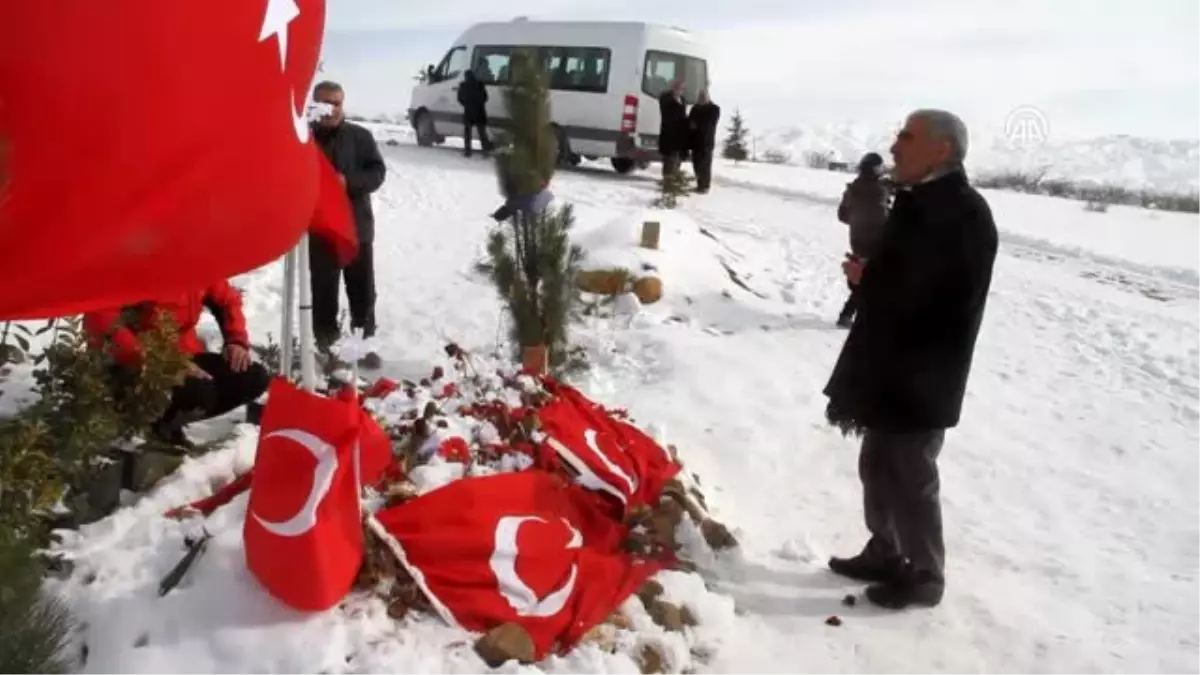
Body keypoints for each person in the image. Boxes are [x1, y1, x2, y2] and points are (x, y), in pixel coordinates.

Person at [823, 109, 999, 610]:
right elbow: (907, 270)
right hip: (891, 363)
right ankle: (885, 551)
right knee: (877, 463)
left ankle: (925, 575)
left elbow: (946, 296)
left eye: (906, 136)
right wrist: (873, 274)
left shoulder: (965, 212)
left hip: (925, 372)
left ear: (941, 149)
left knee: (910, 472)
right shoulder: (918, 201)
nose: (895, 146)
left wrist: (870, 282)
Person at [83, 280, 271, 451]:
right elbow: (101, 320)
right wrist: (161, 363)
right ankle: (151, 425)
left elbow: (227, 300)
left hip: (186, 355)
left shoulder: (195, 259)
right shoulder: (128, 260)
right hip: (135, 364)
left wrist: (235, 340)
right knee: (200, 392)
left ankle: (169, 422)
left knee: (252, 377)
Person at [308, 81, 387, 354]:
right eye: (325, 102)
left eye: (337, 103)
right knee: (323, 291)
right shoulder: (303, 138)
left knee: (362, 291)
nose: (331, 109)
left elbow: (377, 173)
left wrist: (348, 182)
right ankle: (325, 347)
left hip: (357, 228)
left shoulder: (361, 137)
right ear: (314, 103)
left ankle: (364, 346)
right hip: (320, 230)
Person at [835, 152, 891, 327]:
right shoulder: (880, 190)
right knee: (873, 279)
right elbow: (884, 219)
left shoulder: (852, 188)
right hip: (876, 241)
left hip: (857, 239)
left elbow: (842, 215)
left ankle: (849, 314)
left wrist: (856, 220)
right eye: (880, 167)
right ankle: (852, 316)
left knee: (865, 278)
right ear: (876, 169)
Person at [687, 88, 721, 194]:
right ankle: (699, 184)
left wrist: (697, 124)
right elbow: (690, 122)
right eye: (700, 96)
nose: (701, 98)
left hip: (706, 141)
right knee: (696, 163)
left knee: (705, 164)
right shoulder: (695, 108)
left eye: (704, 96)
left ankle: (705, 186)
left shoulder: (714, 108)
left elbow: (710, 123)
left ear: (708, 96)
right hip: (695, 141)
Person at [657, 79, 689, 180]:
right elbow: (665, 110)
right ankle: (667, 181)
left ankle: (675, 180)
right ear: (673, 87)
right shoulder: (665, 97)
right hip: (669, 133)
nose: (680, 90)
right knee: (669, 158)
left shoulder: (683, 99)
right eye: (678, 87)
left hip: (680, 134)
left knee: (677, 158)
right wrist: (674, 98)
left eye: (682, 88)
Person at [458, 69, 492, 158]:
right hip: (480, 112)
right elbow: (485, 97)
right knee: (482, 133)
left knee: (467, 133)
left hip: (468, 112)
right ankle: (485, 151)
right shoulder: (480, 85)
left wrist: (466, 104)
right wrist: (479, 103)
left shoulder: (463, 86)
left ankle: (467, 151)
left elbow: (460, 99)